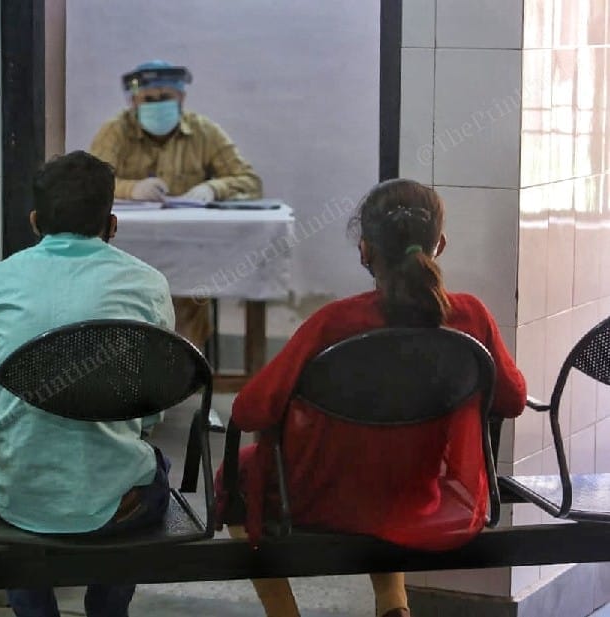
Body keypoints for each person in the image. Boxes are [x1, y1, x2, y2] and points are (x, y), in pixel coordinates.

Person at [214, 179, 527, 617]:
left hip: (322, 497)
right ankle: (392, 605)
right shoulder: (470, 316)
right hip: (418, 493)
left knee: (236, 472)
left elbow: (251, 410)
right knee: (390, 469)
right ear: (440, 244)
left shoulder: (332, 323)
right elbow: (512, 401)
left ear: (364, 250)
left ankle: (284, 614)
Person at [0, 150, 175, 617]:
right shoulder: (147, 284)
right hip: (120, 503)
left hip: (16, 497)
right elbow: (154, 405)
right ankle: (107, 610)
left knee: (15, 510)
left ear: (36, 221)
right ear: (112, 224)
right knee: (151, 466)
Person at [90, 59, 262, 349]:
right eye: (149, 99)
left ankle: (184, 365)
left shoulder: (204, 131)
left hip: (189, 251)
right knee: (122, 297)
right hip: (127, 249)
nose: (157, 105)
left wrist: (214, 188)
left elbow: (249, 180)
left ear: (181, 97)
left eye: (165, 97)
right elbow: (92, 181)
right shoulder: (115, 131)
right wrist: (132, 189)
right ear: (133, 101)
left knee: (193, 289)